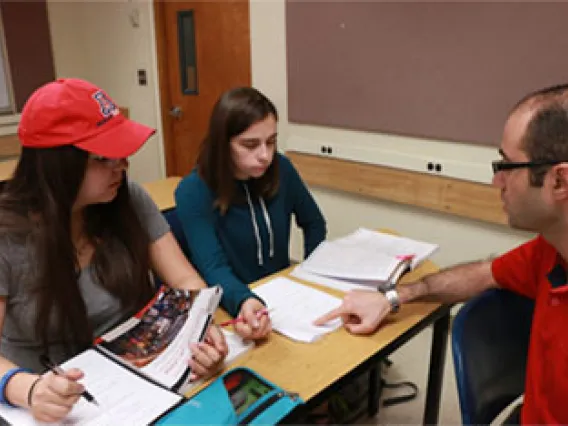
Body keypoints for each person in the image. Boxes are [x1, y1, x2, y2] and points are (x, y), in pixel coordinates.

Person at [315, 83, 568, 425]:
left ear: (559, 182)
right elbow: (485, 273)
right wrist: (393, 297)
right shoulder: (551, 250)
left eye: (507, 166)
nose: (497, 182)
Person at [0, 79, 227, 423]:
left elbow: (183, 277)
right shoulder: (7, 235)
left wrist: (202, 324)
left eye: (122, 153)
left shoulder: (127, 198)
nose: (122, 165)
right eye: (104, 158)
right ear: (56, 164)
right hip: (47, 402)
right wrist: (28, 390)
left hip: (134, 384)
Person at [175, 87, 326, 340]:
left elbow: (314, 223)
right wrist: (244, 300)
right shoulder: (193, 191)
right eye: (250, 145)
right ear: (222, 144)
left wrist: (312, 277)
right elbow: (213, 267)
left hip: (283, 296)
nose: (265, 155)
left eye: (271, 141)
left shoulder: (281, 168)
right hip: (232, 303)